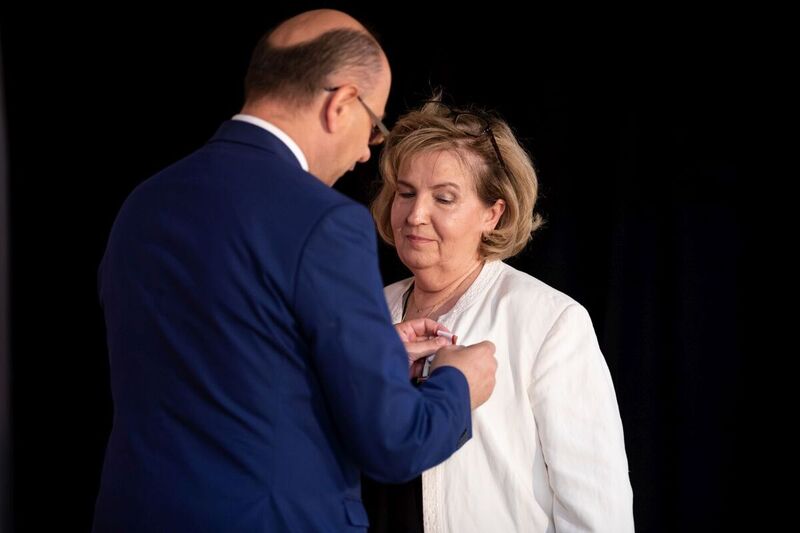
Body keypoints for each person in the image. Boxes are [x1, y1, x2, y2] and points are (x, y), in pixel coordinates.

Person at [91, 11, 498, 533]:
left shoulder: (143, 204)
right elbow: (395, 443)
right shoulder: (324, 221)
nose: (362, 154)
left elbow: (218, 367)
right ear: (341, 103)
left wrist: (374, 354)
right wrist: (458, 383)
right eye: (374, 129)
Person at [364, 98, 634, 532]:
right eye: (406, 193)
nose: (415, 215)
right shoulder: (366, 310)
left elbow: (596, 509)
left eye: (444, 198)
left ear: (493, 213)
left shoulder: (550, 321)